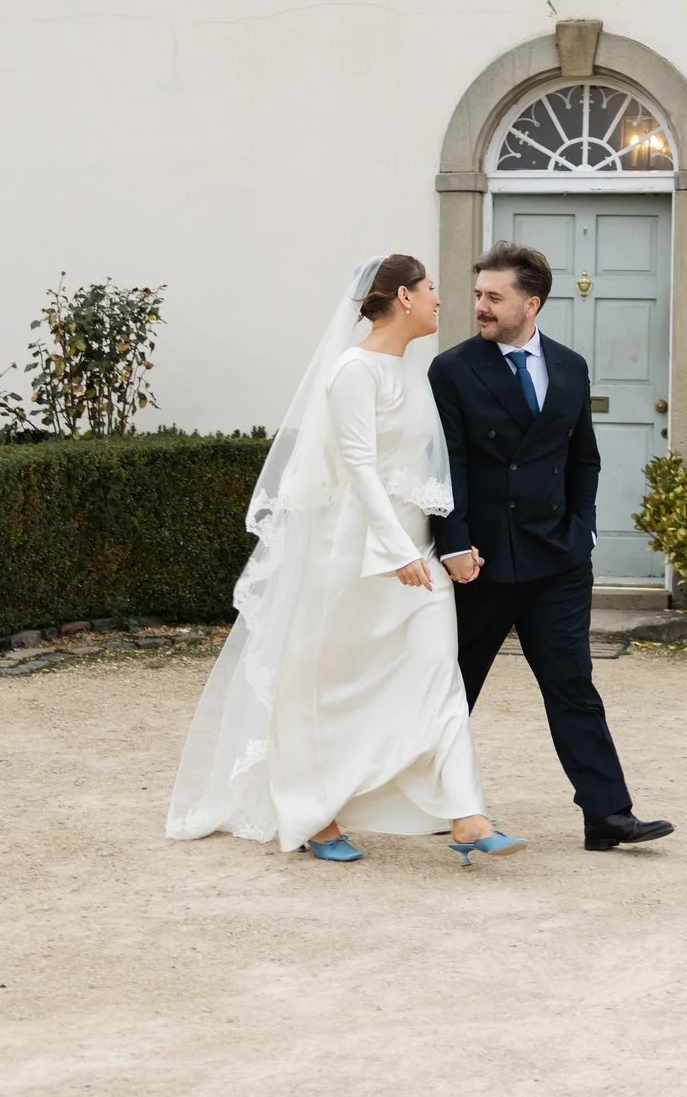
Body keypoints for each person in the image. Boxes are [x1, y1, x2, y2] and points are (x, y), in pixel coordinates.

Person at [165, 254, 527, 866]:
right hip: (352, 556)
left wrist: (446, 547)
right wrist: (392, 552)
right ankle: (317, 814)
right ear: (404, 298)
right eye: (432, 288)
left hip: (415, 556)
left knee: (439, 674)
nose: (442, 300)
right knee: (326, 687)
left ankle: (467, 817)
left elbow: (426, 473)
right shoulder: (353, 373)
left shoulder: (413, 371)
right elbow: (359, 468)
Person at [428, 243, 674, 852]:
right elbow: (445, 464)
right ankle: (426, 801)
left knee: (573, 685)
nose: (480, 307)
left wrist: (583, 529)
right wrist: (453, 543)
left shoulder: (569, 367)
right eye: (478, 295)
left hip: (556, 561)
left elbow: (582, 457)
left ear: (530, 303)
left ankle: (608, 815)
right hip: (479, 564)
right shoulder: (452, 370)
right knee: (450, 689)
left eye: (494, 297)